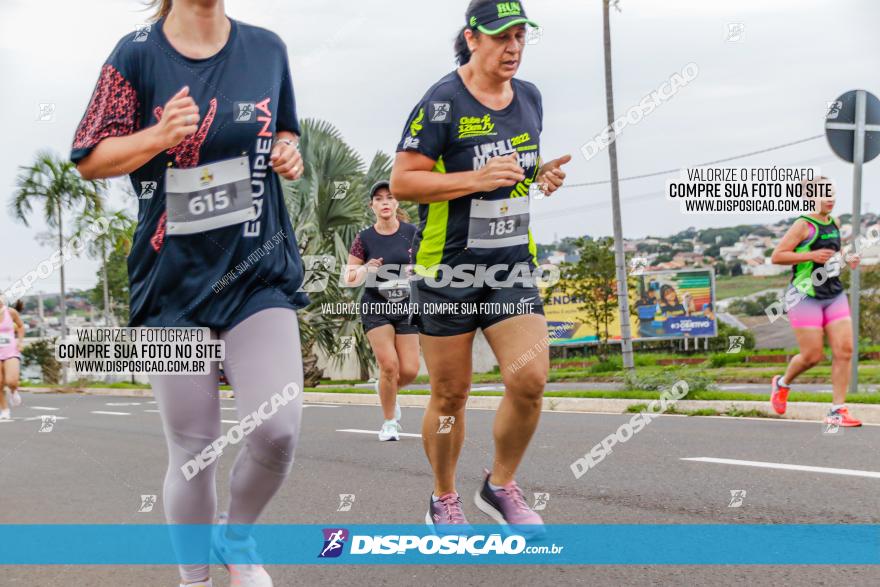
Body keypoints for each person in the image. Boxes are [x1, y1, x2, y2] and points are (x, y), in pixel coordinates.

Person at [71, 1, 308, 585]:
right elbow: (90, 158)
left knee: (277, 429)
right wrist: (157, 135)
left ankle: (239, 537)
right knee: (194, 450)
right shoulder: (136, 52)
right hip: (168, 285)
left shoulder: (266, 48)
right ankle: (195, 578)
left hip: (258, 269)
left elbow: (282, 129)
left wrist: (287, 152)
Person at [390, 0, 570, 536]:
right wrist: (475, 179)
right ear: (472, 38)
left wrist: (541, 179)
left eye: (520, 36)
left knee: (531, 378)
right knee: (450, 394)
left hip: (511, 264)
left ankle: (500, 485)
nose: (512, 47)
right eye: (501, 36)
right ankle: (443, 497)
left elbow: (515, 172)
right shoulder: (441, 103)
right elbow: (403, 182)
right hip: (447, 270)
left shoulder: (531, 97)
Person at [770, 177, 861, 427]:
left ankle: (837, 410)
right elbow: (776, 256)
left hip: (833, 293)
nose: (830, 198)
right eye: (824, 194)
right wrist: (810, 255)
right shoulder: (803, 224)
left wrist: (847, 257)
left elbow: (834, 252)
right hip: (804, 296)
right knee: (812, 356)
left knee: (845, 350)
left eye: (832, 193)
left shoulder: (834, 221)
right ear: (810, 197)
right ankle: (781, 383)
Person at [345, 181, 420, 441]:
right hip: (376, 305)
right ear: (372, 206)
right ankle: (389, 422)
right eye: (379, 199)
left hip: (407, 307)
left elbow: (430, 264)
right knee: (389, 365)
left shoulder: (412, 233)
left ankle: (385, 390)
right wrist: (367, 269)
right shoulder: (364, 238)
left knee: (409, 370)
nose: (385, 202)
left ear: (396, 203)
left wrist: (417, 271)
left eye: (390, 198)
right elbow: (349, 277)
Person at [0, 296, 25, 420]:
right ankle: (4, 410)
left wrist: (20, 342)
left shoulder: (10, 312)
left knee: (11, 381)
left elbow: (20, 326)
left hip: (10, 351)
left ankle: (13, 390)